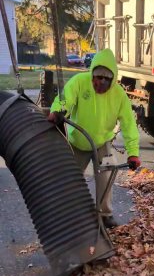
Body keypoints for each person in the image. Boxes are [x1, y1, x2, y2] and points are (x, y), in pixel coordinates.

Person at [48, 48, 141, 228]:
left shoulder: (119, 95)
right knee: (70, 179)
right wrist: (58, 110)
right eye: (98, 77)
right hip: (77, 142)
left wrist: (133, 153)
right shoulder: (79, 82)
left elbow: (129, 125)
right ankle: (69, 216)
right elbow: (65, 98)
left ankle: (105, 214)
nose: (101, 82)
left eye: (106, 79)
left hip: (101, 143)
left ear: (113, 79)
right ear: (92, 74)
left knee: (106, 176)